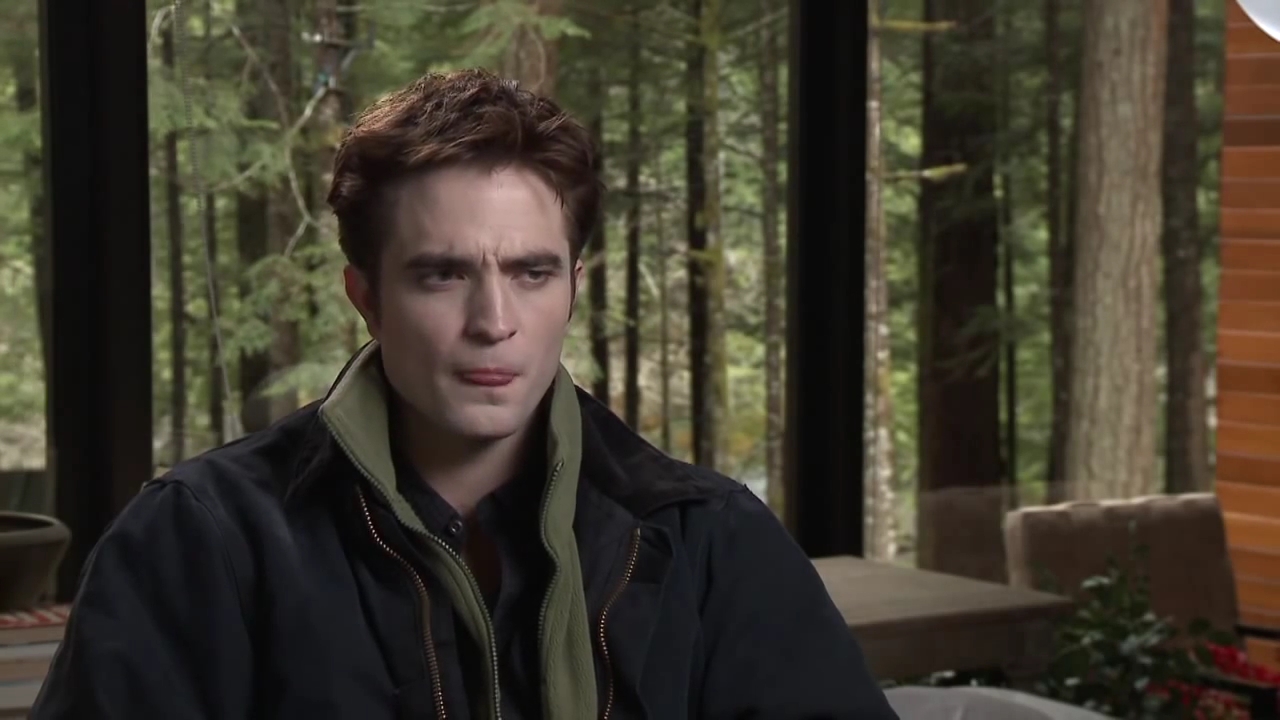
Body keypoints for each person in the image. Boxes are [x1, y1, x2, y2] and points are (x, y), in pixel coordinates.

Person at [32, 69, 896, 719]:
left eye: (531, 273)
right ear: (366, 296)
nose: (494, 322)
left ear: (573, 289)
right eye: (441, 274)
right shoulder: (200, 541)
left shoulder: (709, 541)